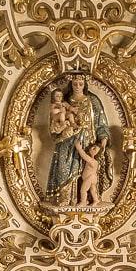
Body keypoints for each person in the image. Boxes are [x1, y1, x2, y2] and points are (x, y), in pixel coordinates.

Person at [46, 73, 112, 206]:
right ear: (71, 85)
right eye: (74, 84)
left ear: (84, 85)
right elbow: (54, 119)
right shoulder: (64, 101)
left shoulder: (92, 100)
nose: (77, 86)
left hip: (87, 141)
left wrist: (103, 137)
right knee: (64, 168)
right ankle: (65, 199)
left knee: (85, 170)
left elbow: (100, 121)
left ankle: (85, 199)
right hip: (67, 139)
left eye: (80, 84)